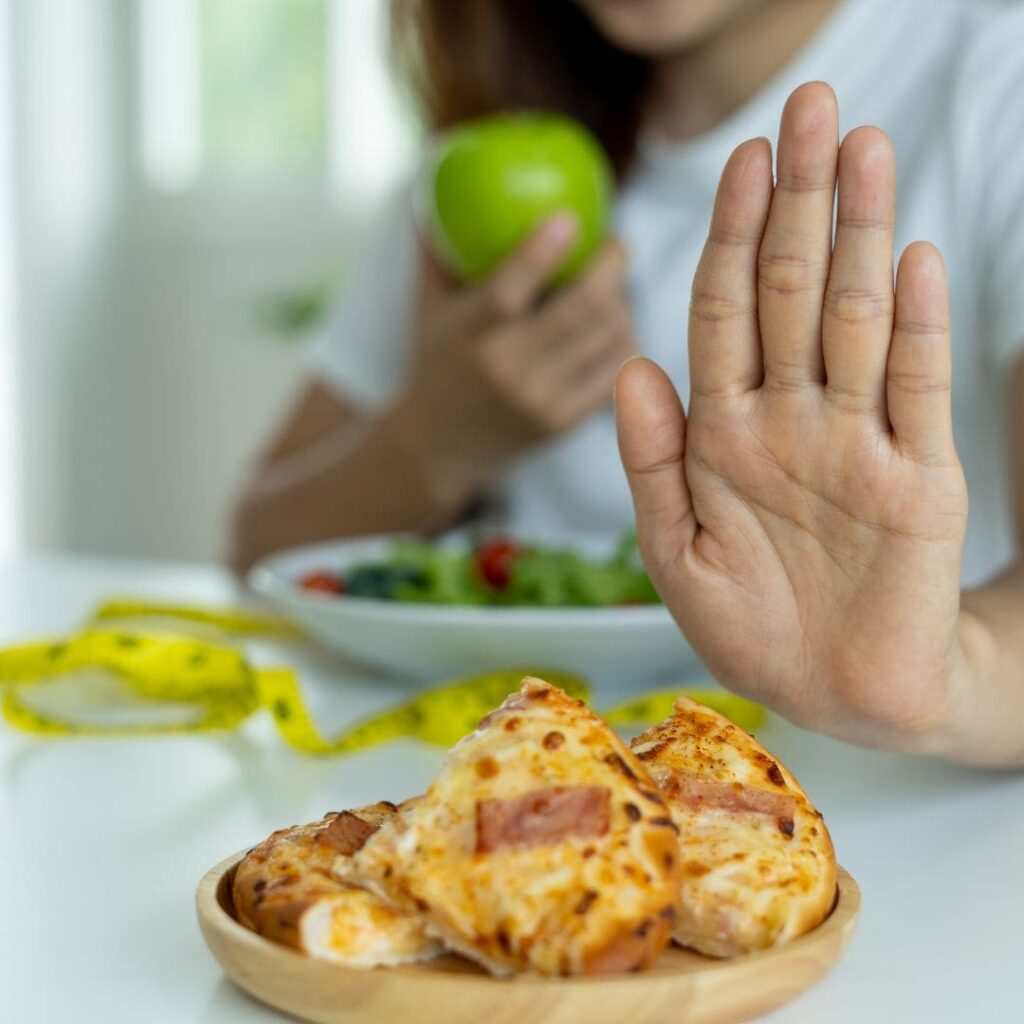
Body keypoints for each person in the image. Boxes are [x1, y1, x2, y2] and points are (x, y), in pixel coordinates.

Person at [232, 0, 1024, 765]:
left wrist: (956, 676)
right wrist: (430, 442)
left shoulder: (998, 84)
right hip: (505, 802)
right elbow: (259, 552)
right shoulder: (479, 150)